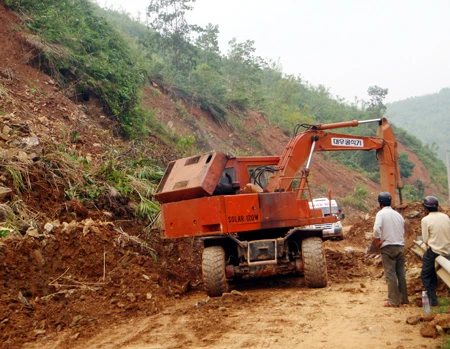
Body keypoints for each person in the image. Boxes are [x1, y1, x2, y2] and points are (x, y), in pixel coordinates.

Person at [372, 192, 409, 307]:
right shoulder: (398, 215)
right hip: (400, 246)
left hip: (388, 247)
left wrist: (377, 241)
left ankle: (393, 301)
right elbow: (403, 230)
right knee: (400, 273)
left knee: (390, 274)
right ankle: (404, 298)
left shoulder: (381, 214)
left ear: (380, 203)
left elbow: (376, 229)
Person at [420, 196, 450, 306]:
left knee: (425, 275)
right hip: (448, 249)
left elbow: (425, 240)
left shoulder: (425, 220)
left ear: (426, 208)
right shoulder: (445, 216)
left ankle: (433, 300)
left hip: (435, 250)